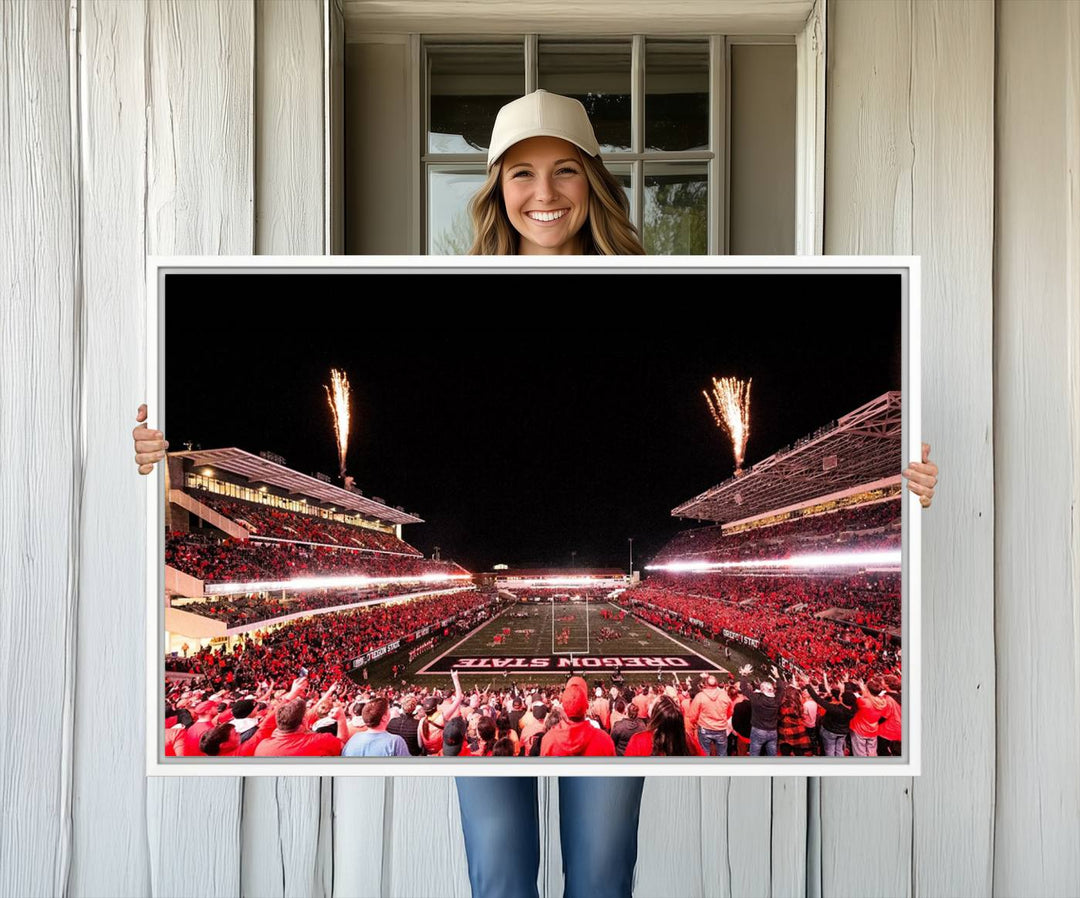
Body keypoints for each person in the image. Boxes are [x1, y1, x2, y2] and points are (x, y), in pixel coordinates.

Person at [133, 88, 939, 898]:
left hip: (578, 731)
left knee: (599, 873)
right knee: (501, 875)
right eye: (520, 173)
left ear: (594, 181)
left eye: (564, 171)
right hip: (506, 738)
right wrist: (148, 462)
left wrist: (903, 487)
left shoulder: (659, 278)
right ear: (494, 189)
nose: (544, 193)